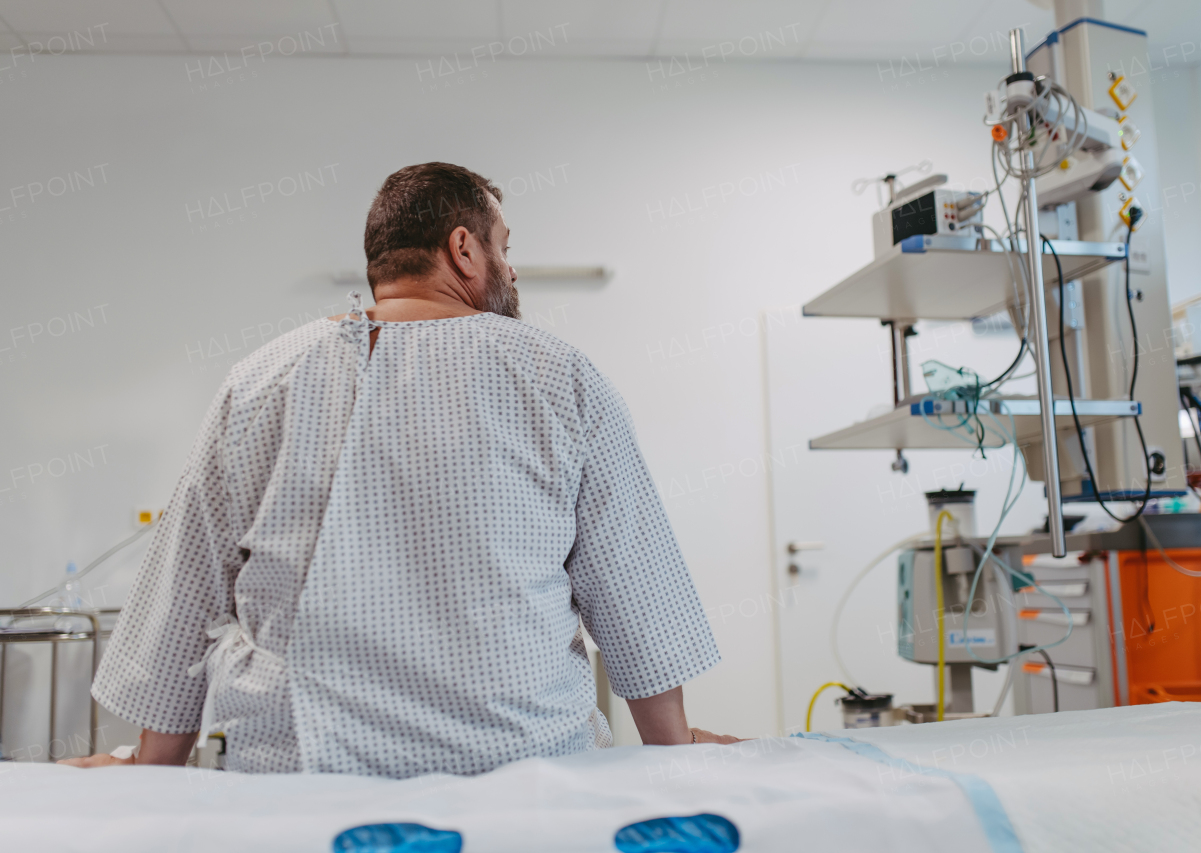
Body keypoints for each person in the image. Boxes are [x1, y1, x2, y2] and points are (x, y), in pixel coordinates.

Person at [65, 163, 737, 777]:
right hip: (523, 777)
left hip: (299, 785)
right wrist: (672, 752)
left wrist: (151, 769)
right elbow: (634, 592)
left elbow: (187, 589)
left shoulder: (260, 380)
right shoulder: (559, 376)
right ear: (464, 248)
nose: (511, 268)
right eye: (505, 246)